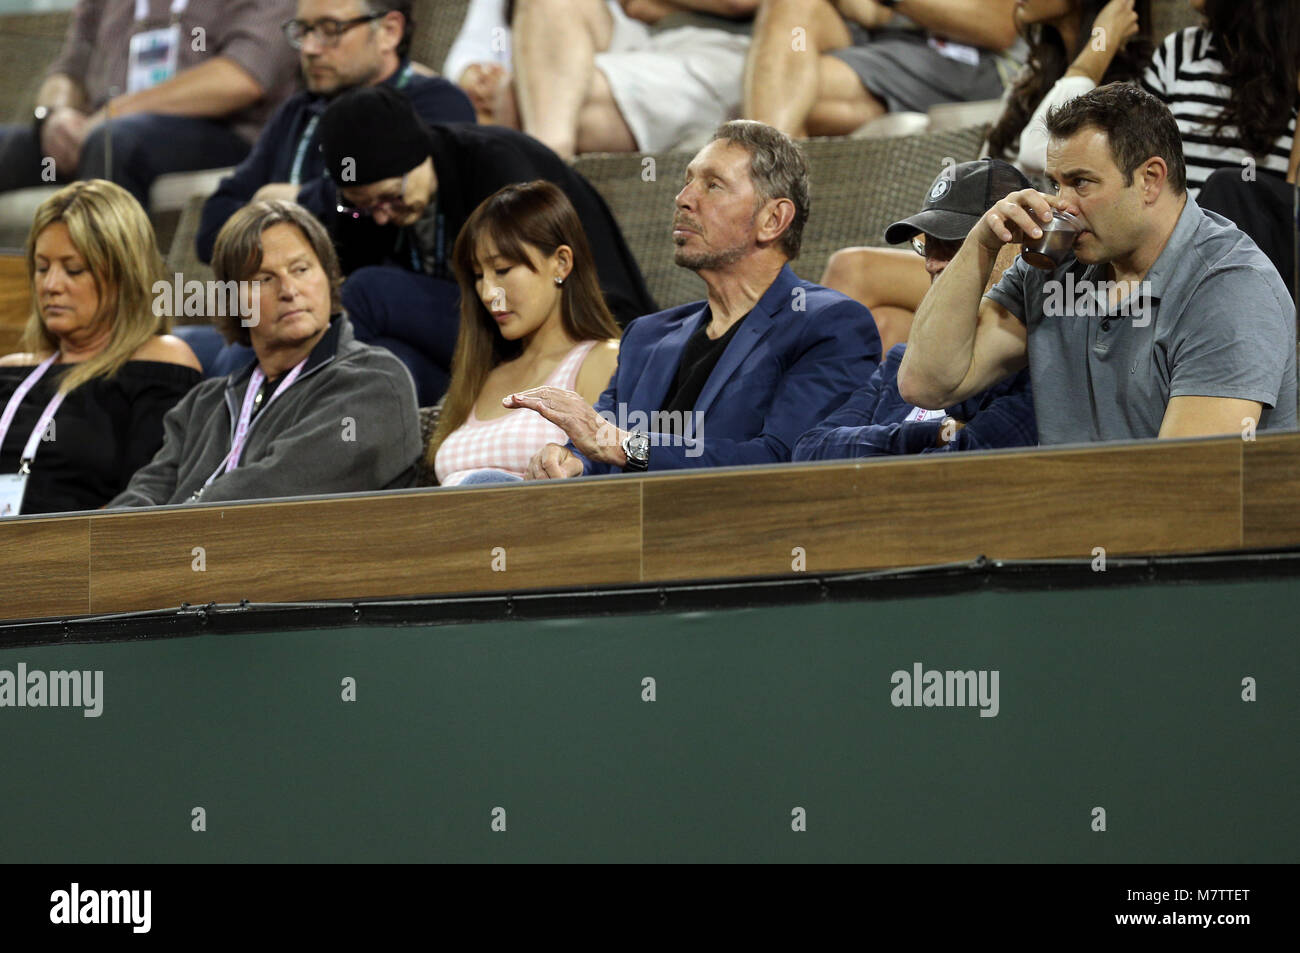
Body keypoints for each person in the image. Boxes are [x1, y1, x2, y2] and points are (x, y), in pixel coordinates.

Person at [898, 84, 1298, 445]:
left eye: (1081, 183)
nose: (1061, 205)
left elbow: (1185, 488)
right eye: (1056, 184)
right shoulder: (1054, 266)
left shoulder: (1231, 290)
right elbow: (926, 384)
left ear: (1150, 179)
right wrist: (981, 243)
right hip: (1082, 514)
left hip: (1180, 520)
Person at [503, 120, 880, 478]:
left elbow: (785, 460)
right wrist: (571, 461)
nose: (683, 199)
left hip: (723, 533)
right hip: (620, 524)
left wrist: (626, 447)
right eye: (687, 183)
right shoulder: (647, 336)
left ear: (772, 220)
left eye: (713, 185)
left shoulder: (829, 325)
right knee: (489, 482)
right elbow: (599, 446)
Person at [821, 0, 1150, 352]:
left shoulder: (1130, 94)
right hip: (987, 236)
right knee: (885, 326)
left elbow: (1036, 147)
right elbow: (984, 169)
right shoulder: (1033, 75)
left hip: (1042, 257)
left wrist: (1098, 46)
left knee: (852, 268)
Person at [316, 84, 655, 405]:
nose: (380, 216)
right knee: (391, 362)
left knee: (365, 292)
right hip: (479, 346)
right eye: (364, 207)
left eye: (390, 197)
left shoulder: (493, 164)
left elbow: (536, 288)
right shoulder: (368, 203)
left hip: (564, 327)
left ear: (418, 157)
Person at [108, 200, 421, 507]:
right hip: (180, 553)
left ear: (327, 276)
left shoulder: (374, 382)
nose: (289, 290)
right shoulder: (202, 405)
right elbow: (145, 494)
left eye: (301, 269)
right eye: (264, 279)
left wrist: (166, 528)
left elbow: (277, 493)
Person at [196, 0, 475, 265]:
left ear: (389, 32)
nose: (309, 48)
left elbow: (374, 228)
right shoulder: (299, 110)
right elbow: (213, 230)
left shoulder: (435, 102)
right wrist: (308, 207)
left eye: (330, 30)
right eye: (303, 31)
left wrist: (289, 201)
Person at [794, 159, 1036, 460]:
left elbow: (951, 471)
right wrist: (932, 433)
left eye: (955, 244)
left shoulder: (1027, 370)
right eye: (927, 245)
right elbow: (810, 449)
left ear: (1017, 248)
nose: (931, 262)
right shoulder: (900, 362)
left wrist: (879, 448)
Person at [0, 180, 201, 516]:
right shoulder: (9, 370)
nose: (51, 286)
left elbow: (145, 498)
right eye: (42, 268)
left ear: (124, 275)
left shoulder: (160, 361)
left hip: (76, 557)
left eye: (73, 269)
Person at [0, 0, 300, 208]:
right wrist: (54, 116)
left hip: (222, 130)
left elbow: (243, 78)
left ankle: (110, 295)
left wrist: (114, 112)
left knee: (112, 142)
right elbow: (71, 67)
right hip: (98, 128)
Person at [429, 182, 621, 486]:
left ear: (561, 263)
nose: (489, 293)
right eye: (478, 276)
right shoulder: (483, 374)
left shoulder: (602, 361)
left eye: (502, 269)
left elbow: (611, 478)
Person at [507, 0, 755, 159]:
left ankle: (543, 163)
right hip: (645, 34)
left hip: (727, 50)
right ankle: (550, 156)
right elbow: (635, 7)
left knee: (516, 100)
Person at [743, 0, 1024, 139]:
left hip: (967, 56)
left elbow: (1000, 27)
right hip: (880, 39)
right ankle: (767, 169)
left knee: (789, 96)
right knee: (793, 6)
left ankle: (761, 173)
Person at [1142, 0, 1297, 197]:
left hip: (1255, 227)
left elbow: (1291, 210)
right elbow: (1137, 170)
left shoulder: (1292, 72)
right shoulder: (1178, 52)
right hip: (1178, 226)